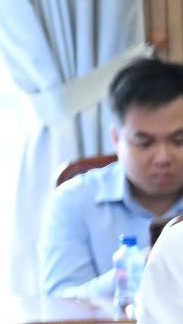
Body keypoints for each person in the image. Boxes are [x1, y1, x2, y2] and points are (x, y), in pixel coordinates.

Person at [41, 56, 183, 302]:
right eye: (144, 143)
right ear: (116, 139)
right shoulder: (75, 200)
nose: (162, 158)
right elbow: (60, 302)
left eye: (179, 141)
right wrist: (137, 269)